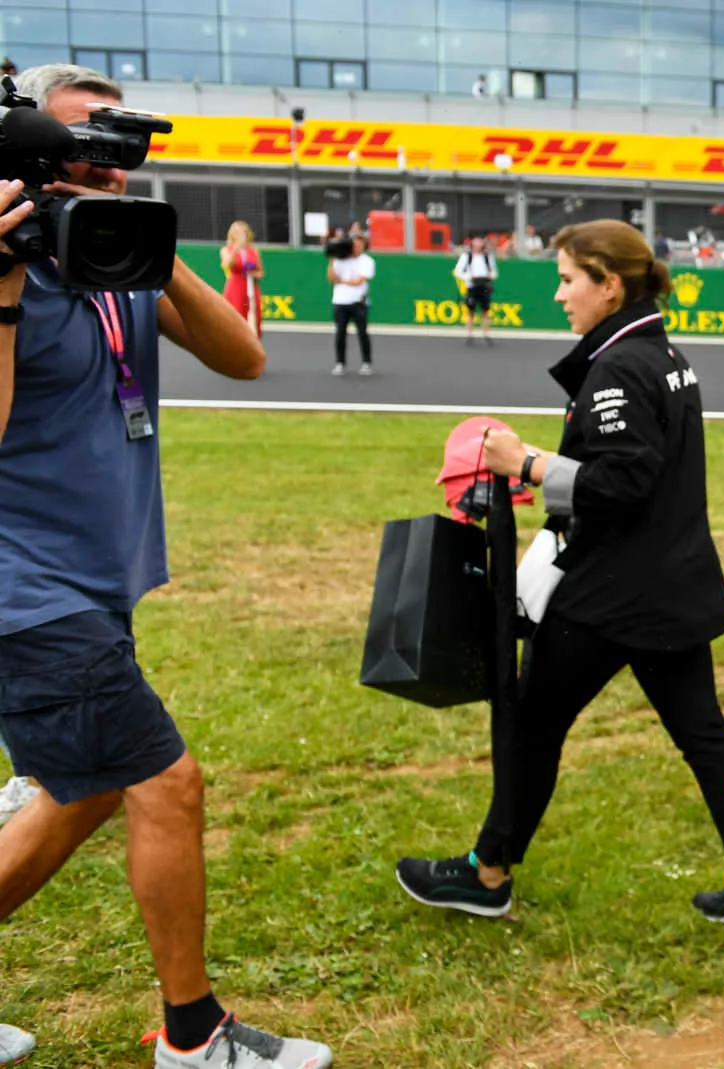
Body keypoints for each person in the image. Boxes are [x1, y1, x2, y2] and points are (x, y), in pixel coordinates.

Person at [0, 63, 332, 1069]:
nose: (98, 172)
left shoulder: (118, 261)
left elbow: (246, 360)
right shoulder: (9, 272)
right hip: (26, 592)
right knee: (165, 781)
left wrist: (150, 248)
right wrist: (4, 292)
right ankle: (196, 1035)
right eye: (74, 154)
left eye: (112, 153)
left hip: (92, 586)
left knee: (79, 790)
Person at [396, 220, 724, 923]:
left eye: (569, 278)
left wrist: (528, 465)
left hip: (614, 594)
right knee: (705, 733)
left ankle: (486, 874)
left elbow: (623, 481)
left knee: (532, 726)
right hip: (670, 584)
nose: (558, 293)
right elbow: (637, 469)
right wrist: (552, 466)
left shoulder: (620, 366)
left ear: (609, 284)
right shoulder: (659, 352)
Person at [327, 234, 374, 376]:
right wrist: (332, 259)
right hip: (340, 301)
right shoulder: (340, 259)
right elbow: (331, 278)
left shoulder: (367, 261)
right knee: (340, 333)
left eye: (359, 245)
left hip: (359, 302)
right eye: (354, 244)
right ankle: (340, 363)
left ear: (364, 246)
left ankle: (366, 363)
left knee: (362, 333)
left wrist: (342, 282)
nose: (356, 247)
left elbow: (359, 281)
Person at [218, 221, 263, 340]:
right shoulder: (226, 250)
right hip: (236, 288)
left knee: (254, 316)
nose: (241, 235)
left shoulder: (253, 250)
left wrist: (252, 274)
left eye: (243, 232)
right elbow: (227, 263)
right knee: (236, 315)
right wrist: (236, 248)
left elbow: (260, 272)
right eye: (237, 232)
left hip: (251, 288)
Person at [453, 235, 499, 345]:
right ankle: (470, 334)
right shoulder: (466, 257)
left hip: (484, 285)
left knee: (485, 311)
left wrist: (490, 276)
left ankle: (486, 333)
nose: (478, 245)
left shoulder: (487, 257)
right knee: (470, 311)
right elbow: (457, 271)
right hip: (472, 285)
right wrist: (469, 276)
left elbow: (494, 271)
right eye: (476, 243)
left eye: (480, 243)